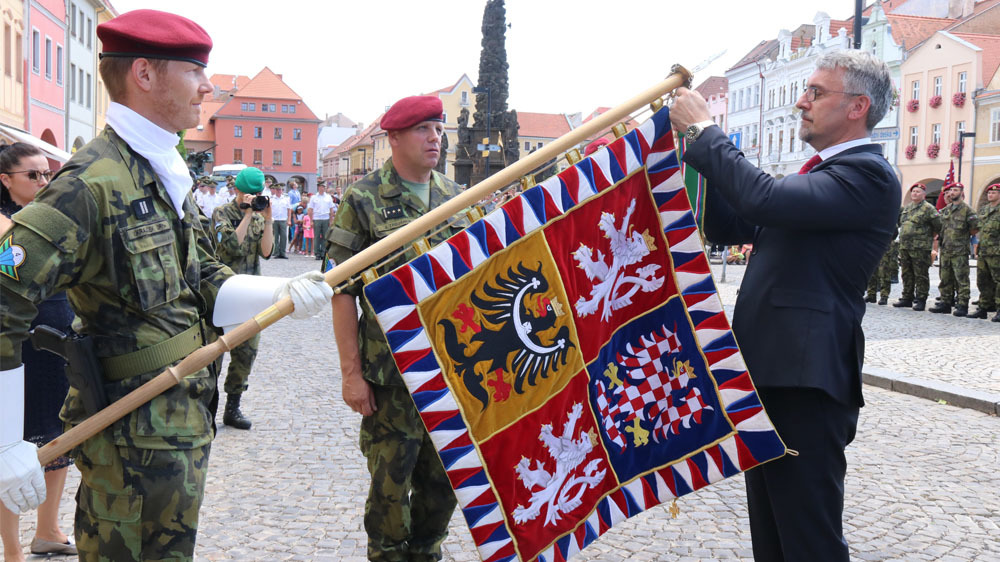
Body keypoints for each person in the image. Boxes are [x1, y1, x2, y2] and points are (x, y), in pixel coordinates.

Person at [0, 10, 332, 561]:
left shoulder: (160, 171)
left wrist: (281, 294)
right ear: (145, 74)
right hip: (125, 440)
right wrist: (6, 441)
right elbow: (3, 301)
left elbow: (201, 276)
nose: (207, 87)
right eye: (194, 71)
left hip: (180, 423)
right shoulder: (89, 183)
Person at [670, 50, 899, 561]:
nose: (801, 102)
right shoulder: (819, 175)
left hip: (807, 381)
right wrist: (685, 147)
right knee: (774, 541)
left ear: (858, 106)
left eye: (816, 92)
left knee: (809, 542)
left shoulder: (868, 174)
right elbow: (730, 222)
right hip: (772, 373)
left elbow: (764, 201)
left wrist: (708, 133)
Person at [327, 95, 464, 561]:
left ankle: (428, 553)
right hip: (391, 377)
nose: (435, 138)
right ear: (395, 138)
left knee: (443, 483)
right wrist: (351, 374)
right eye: (424, 129)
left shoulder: (456, 197)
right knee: (389, 487)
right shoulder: (363, 199)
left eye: (439, 129)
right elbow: (341, 290)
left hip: (451, 368)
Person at [0, 144, 76, 560]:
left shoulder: (46, 218)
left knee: (57, 435)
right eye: (33, 175)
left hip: (57, 332)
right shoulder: (9, 222)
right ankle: (11, 548)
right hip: (16, 345)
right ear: (5, 180)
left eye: (48, 174)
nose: (44, 182)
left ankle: (47, 529)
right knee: (12, 444)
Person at [211, 167, 274, 429]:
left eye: (257, 194)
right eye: (248, 193)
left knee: (246, 353)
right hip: (222, 293)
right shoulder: (221, 213)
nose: (252, 197)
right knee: (213, 354)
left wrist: (268, 220)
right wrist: (247, 215)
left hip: (249, 293)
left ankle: (232, 408)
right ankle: (207, 407)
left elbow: (266, 252)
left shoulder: (260, 218)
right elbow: (231, 246)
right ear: (236, 189)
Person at [928, 183, 978, 316]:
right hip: (945, 250)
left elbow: (974, 229)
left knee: (961, 279)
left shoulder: (968, 210)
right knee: (945, 278)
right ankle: (945, 303)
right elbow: (940, 227)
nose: (952, 193)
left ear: (961, 192)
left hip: (959, 251)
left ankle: (962, 305)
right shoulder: (946, 210)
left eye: (955, 190)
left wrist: (961, 238)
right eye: (950, 190)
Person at [893, 183, 941, 311]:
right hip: (905, 246)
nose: (915, 193)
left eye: (918, 191)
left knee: (921, 274)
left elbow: (938, 225)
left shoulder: (928, 208)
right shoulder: (907, 208)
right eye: (913, 191)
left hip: (920, 247)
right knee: (906, 273)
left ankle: (921, 299)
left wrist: (929, 236)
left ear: (924, 195)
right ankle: (907, 297)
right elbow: (901, 223)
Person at [971, 183, 1000, 320]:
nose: (990, 195)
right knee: (982, 280)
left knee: (998, 281)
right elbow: (978, 228)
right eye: (989, 193)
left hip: (997, 252)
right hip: (984, 251)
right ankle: (983, 307)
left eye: (994, 193)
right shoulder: (984, 210)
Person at [866, 225, 898, 305]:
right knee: (872, 271)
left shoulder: (886, 217)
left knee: (884, 271)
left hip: (884, 245)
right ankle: (871, 294)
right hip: (872, 244)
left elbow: (895, 231)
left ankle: (884, 296)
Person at [307, 181, 335, 260]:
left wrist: (331, 220)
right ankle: (317, 253)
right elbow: (310, 209)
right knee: (317, 237)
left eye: (323, 187)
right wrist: (311, 221)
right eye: (321, 187)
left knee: (325, 237)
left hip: (325, 218)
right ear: (318, 187)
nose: (322, 188)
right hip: (317, 218)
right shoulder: (314, 197)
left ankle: (323, 253)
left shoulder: (328, 197)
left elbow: (331, 209)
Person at [269, 180, 291, 259]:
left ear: (282, 190)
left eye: (280, 190)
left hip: (283, 219)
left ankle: (283, 252)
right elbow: (269, 210)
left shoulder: (286, 199)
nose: (279, 191)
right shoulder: (271, 199)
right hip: (274, 220)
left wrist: (289, 220)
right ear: (275, 190)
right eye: (277, 190)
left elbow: (289, 210)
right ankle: (276, 252)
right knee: (275, 237)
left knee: (283, 237)